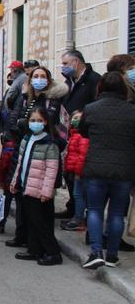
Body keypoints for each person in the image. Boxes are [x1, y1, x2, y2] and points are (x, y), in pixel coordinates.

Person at [80, 72, 135, 269]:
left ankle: (96, 251)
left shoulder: (91, 109)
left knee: (94, 210)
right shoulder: (131, 111)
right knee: (117, 213)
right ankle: (112, 255)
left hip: (96, 167)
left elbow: (83, 132)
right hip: (124, 169)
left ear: (101, 86)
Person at [9, 107, 63, 266]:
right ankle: (34, 250)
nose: (36, 124)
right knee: (31, 220)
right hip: (27, 186)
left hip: (40, 190)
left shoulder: (50, 143)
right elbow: (20, 163)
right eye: (33, 120)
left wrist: (47, 191)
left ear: (46, 122)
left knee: (41, 223)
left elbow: (52, 170)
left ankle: (53, 253)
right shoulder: (26, 139)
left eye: (40, 121)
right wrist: (15, 182)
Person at [58, 50, 101, 219]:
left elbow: (95, 104)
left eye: (66, 64)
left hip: (83, 136)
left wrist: (81, 115)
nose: (63, 67)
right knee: (69, 174)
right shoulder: (69, 82)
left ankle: (79, 214)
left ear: (76, 62)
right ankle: (73, 207)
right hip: (67, 135)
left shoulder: (93, 80)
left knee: (78, 177)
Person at [9, 66, 68, 141]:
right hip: (24, 140)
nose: (39, 79)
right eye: (36, 76)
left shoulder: (53, 100)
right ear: (30, 80)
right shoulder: (24, 98)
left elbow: (49, 121)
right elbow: (13, 119)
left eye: (43, 76)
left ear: (48, 81)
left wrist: (21, 122)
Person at [60, 110, 88, 232]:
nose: (75, 120)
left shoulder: (81, 136)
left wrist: (78, 172)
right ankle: (76, 217)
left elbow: (82, 156)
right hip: (72, 170)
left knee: (78, 195)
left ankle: (78, 218)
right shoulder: (73, 134)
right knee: (76, 195)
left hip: (78, 173)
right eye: (74, 117)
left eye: (79, 118)